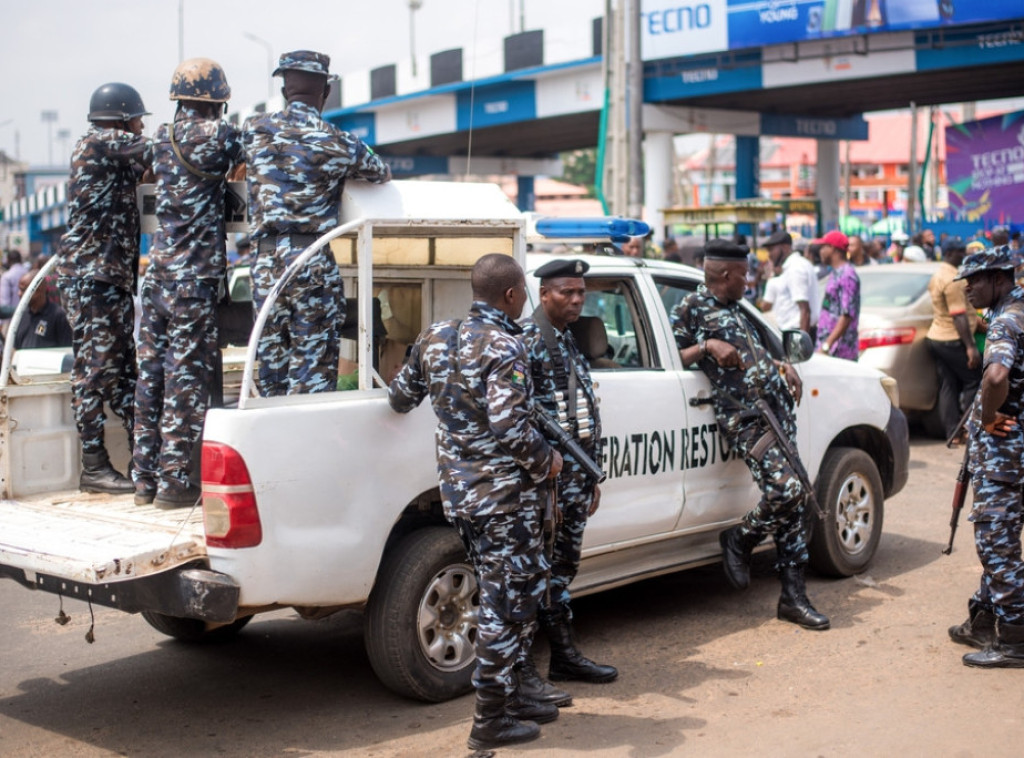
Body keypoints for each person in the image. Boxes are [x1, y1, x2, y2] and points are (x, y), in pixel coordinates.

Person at [387, 254, 564, 750]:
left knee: (509, 594)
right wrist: (546, 461)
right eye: (524, 291)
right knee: (506, 604)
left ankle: (514, 697)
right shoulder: (505, 346)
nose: (525, 299)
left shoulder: (435, 336)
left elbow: (400, 398)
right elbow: (511, 426)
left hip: (461, 496)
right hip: (506, 499)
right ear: (510, 295)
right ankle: (491, 719)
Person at [672, 239, 829, 631]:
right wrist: (707, 345)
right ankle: (740, 539)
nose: (750, 280)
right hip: (744, 418)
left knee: (796, 501)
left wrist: (779, 364)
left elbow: (749, 354)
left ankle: (794, 598)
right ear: (726, 275)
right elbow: (672, 358)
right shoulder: (692, 309)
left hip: (774, 412)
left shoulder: (737, 308)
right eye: (744, 274)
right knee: (787, 490)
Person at [243, 50, 391, 397]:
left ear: (284, 90)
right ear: (325, 92)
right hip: (310, 261)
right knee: (311, 375)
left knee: (269, 371)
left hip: (265, 263)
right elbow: (381, 172)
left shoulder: (253, 130)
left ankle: (272, 443)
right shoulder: (338, 142)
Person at [132, 58, 245, 509]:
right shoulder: (220, 135)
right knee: (185, 379)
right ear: (218, 100)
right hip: (192, 281)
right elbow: (250, 159)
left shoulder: (160, 136)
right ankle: (176, 485)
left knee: (152, 375)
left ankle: (144, 479)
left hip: (157, 274)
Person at [518, 258, 617, 707]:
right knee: (536, 572)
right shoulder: (527, 341)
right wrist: (547, 483)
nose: (577, 300)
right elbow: (521, 420)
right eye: (566, 292)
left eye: (581, 292)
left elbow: (579, 414)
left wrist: (589, 475)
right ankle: (525, 674)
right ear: (543, 294)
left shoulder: (567, 339)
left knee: (563, 568)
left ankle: (563, 656)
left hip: (576, 475)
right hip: (547, 482)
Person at [57, 82, 153, 494]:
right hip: (91, 278)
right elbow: (157, 151)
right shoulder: (97, 143)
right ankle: (93, 467)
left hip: (109, 279)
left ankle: (142, 461)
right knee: (94, 372)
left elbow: (149, 169)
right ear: (122, 117)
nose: (140, 127)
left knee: (124, 373)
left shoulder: (114, 154)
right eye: (137, 120)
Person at [948, 247, 1024, 668]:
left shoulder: (1007, 321)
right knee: (1002, 535)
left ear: (998, 279)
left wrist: (990, 415)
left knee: (996, 543)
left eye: (974, 281)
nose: (968, 290)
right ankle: (982, 619)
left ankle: (1015, 640)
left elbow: (996, 375)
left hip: (1007, 456)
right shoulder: (1015, 310)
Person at [925, 237, 982, 440]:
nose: (964, 254)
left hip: (937, 337)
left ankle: (954, 431)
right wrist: (970, 347)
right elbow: (958, 315)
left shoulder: (939, 274)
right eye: (960, 251)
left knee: (948, 385)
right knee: (974, 380)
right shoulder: (953, 279)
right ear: (949, 254)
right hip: (951, 339)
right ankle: (968, 429)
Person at [763, 230, 819, 340]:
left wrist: (801, 343)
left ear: (784, 247)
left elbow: (805, 310)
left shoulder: (795, 268)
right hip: (793, 332)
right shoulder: (793, 266)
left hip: (797, 332)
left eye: (771, 250)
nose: (769, 255)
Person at [817, 230, 860, 360]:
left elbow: (846, 315)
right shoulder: (836, 273)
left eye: (823, 247)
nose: (820, 251)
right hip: (830, 350)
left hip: (840, 351)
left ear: (832, 248)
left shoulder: (847, 275)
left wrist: (827, 345)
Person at [13, 271, 72, 349]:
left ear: (38, 290)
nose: (19, 293)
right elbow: (15, 347)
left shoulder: (58, 315)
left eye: (23, 290)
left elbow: (67, 350)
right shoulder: (20, 314)